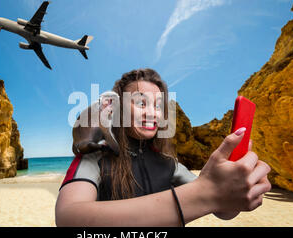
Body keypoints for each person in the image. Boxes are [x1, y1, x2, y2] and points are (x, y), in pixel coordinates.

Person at [55, 68, 271, 226]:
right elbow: (68, 217)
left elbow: (224, 212)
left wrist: (235, 189)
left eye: (158, 106)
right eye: (141, 103)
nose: (153, 113)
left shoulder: (169, 164)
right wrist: (204, 194)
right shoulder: (96, 158)